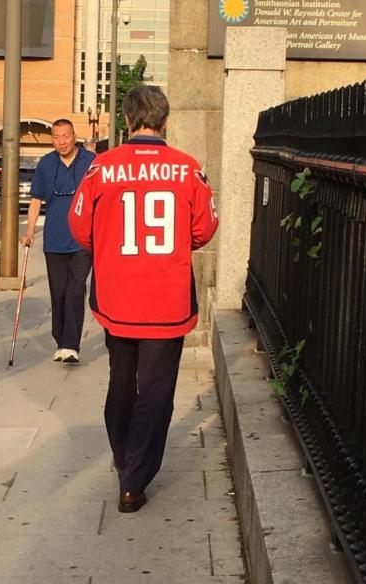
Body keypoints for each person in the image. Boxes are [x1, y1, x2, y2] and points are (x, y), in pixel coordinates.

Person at [69, 86, 219, 512]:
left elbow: (79, 228)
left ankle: (122, 456)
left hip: (117, 296)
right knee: (156, 390)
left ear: (128, 120)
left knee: (121, 381)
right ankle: (134, 479)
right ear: (165, 120)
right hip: (167, 298)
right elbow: (204, 229)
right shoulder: (189, 170)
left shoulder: (101, 168)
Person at [21, 119, 95, 363]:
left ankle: (70, 345)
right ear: (52, 139)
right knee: (59, 292)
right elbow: (35, 200)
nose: (61, 141)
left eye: (66, 136)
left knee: (76, 290)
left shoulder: (90, 162)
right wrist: (30, 231)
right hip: (54, 239)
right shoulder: (46, 164)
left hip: (82, 240)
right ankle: (60, 339)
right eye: (56, 137)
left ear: (74, 136)